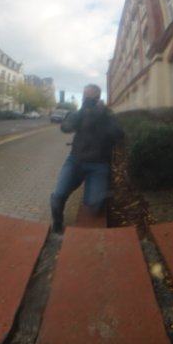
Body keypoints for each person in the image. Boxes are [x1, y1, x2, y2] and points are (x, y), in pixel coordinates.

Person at [48, 84, 123, 233]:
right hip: (75, 161)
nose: (87, 99)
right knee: (57, 196)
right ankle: (57, 222)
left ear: (98, 97)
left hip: (99, 166)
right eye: (85, 97)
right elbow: (66, 127)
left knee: (95, 205)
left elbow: (119, 136)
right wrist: (83, 111)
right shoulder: (79, 114)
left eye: (90, 97)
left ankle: (93, 189)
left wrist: (103, 117)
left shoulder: (107, 115)